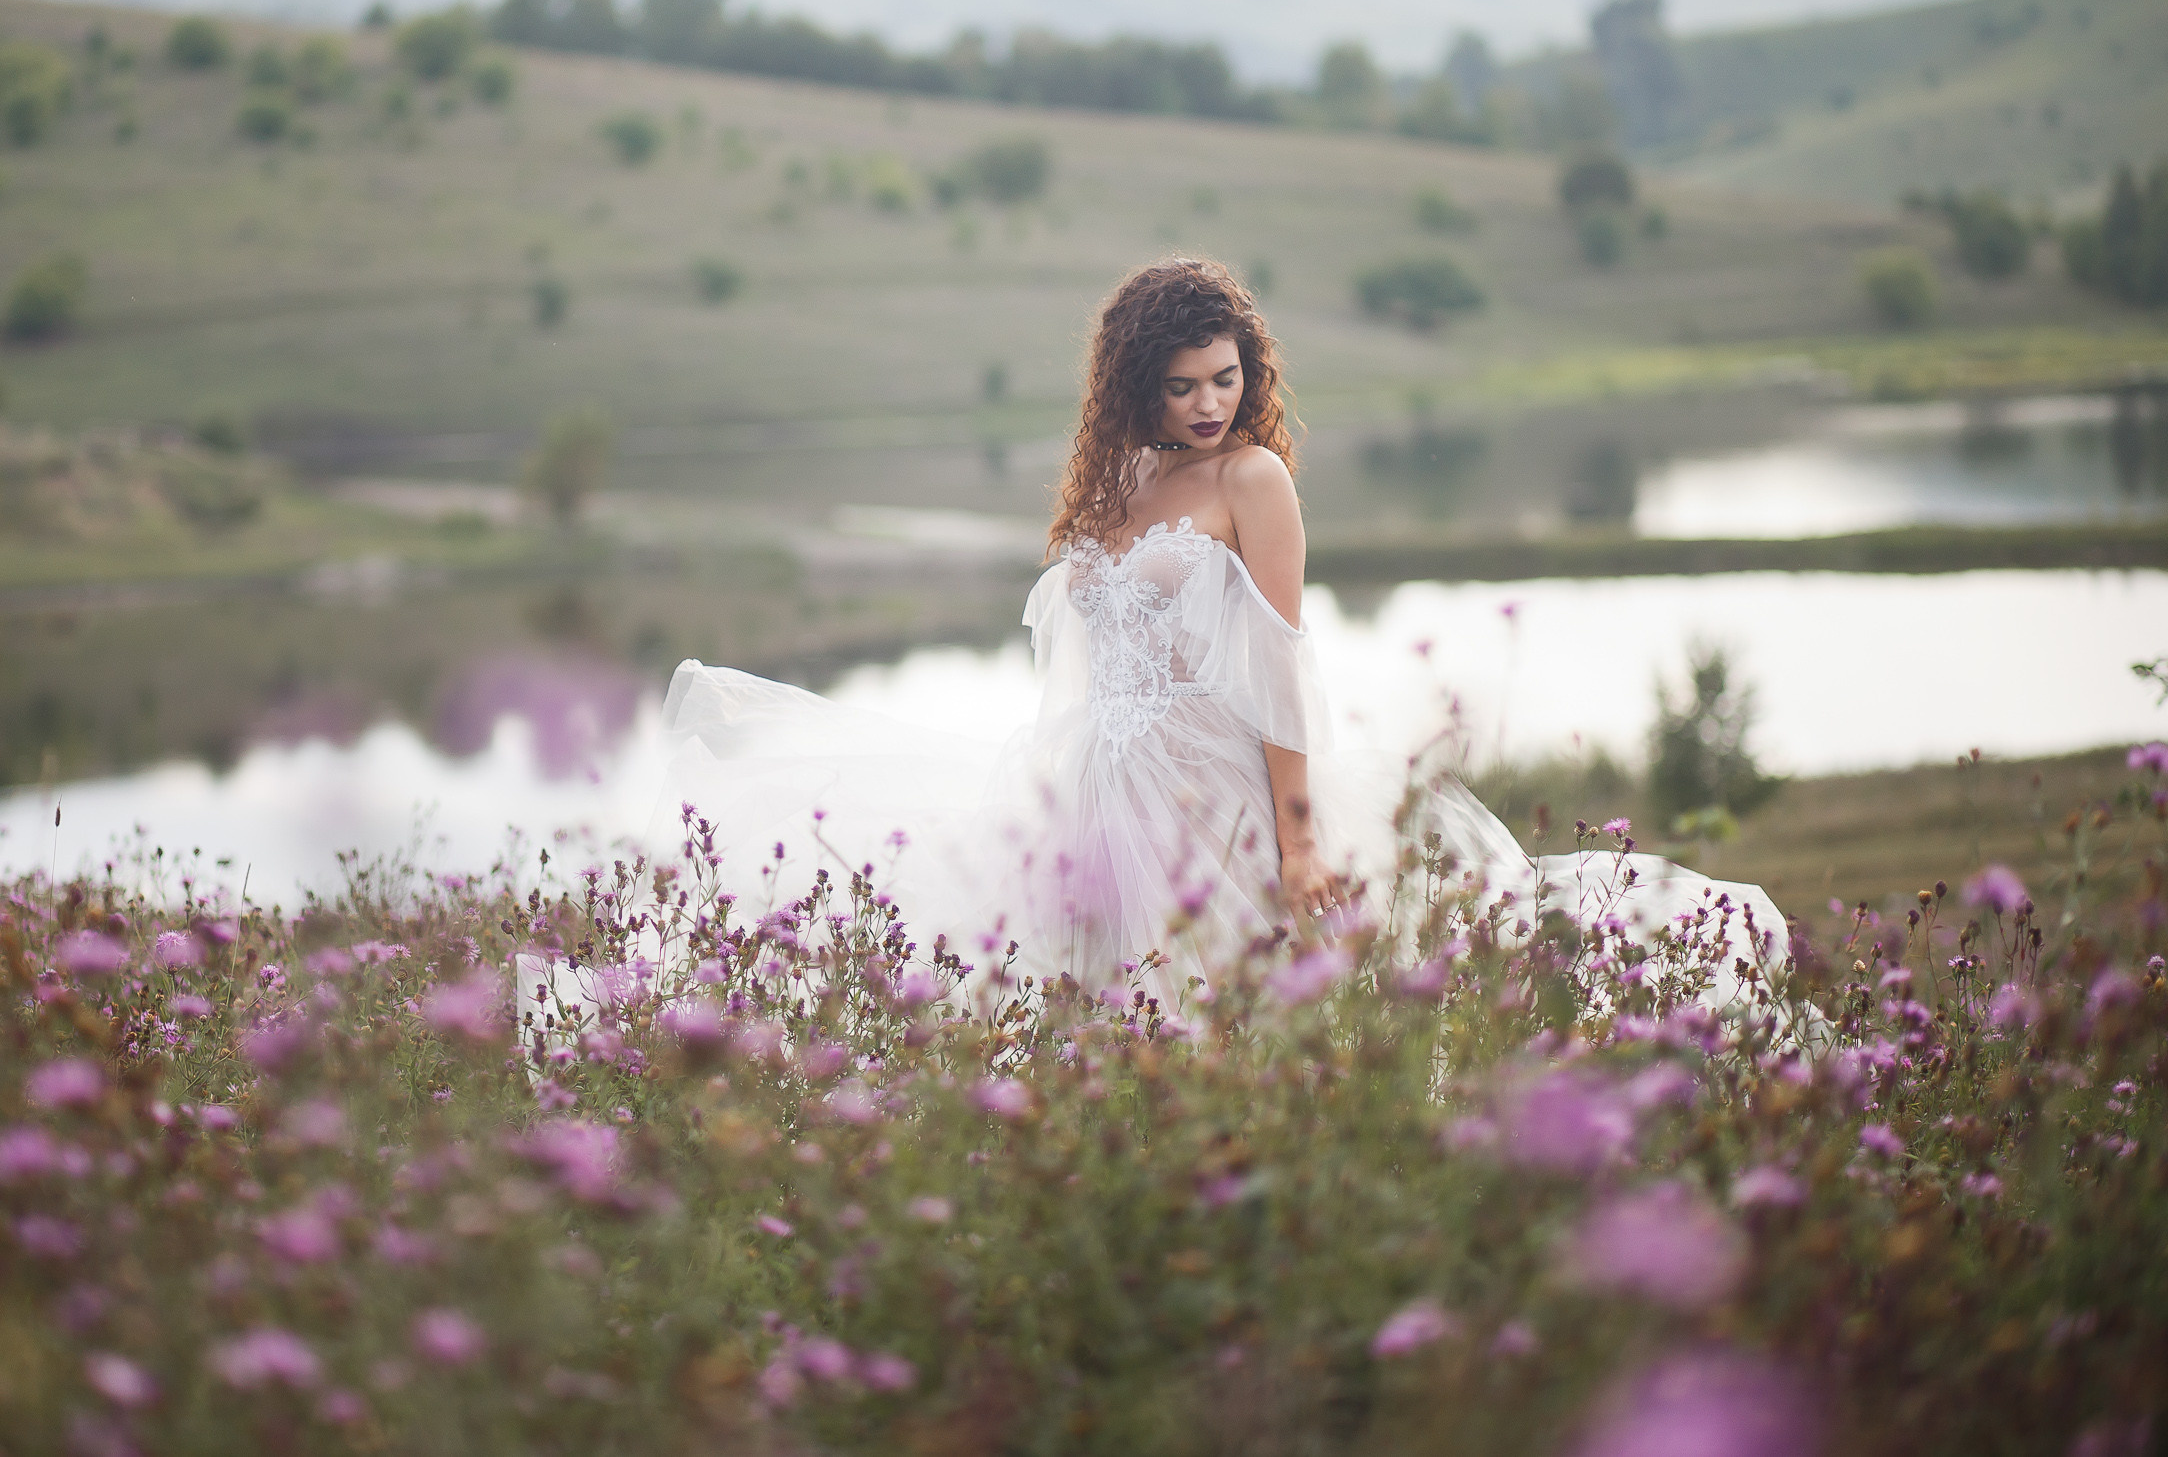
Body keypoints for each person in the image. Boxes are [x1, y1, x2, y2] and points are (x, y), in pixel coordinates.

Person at [661, 258, 1787, 994]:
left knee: (1217, 1002)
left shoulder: (1253, 482)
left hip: (1212, 795)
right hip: (1094, 788)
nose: (1209, 403)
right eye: (1183, 385)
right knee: (1084, 1009)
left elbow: (1282, 669)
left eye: (1226, 377)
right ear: (1135, 391)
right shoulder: (1119, 487)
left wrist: (1299, 842)